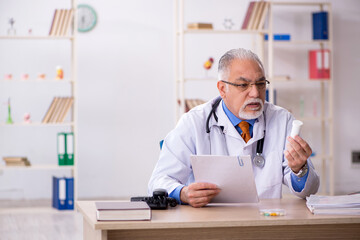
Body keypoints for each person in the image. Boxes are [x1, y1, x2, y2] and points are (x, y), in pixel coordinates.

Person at [148, 48, 320, 208]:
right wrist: (183, 193)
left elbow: (309, 190)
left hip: (265, 223)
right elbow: (159, 181)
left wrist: (300, 169)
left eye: (260, 84)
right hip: (210, 224)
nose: (255, 93)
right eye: (243, 85)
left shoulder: (283, 120)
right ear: (223, 89)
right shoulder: (193, 122)